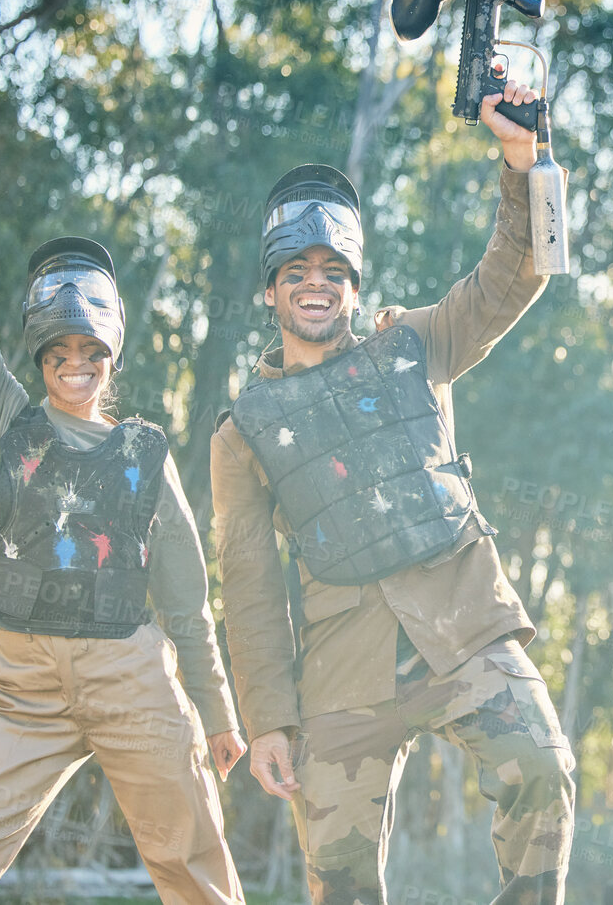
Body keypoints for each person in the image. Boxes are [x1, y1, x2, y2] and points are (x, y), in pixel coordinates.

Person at [211, 81, 574, 905]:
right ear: (268, 291)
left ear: (353, 281)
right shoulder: (242, 431)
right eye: (295, 271)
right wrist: (268, 714)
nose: (315, 284)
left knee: (543, 770)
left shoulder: (411, 345)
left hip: (463, 627)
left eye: (332, 270)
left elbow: (510, 280)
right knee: (337, 878)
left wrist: (522, 163)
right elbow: (249, 582)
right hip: (346, 671)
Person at [0, 121, 246, 905]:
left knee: (197, 878)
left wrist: (217, 715)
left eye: (89, 353)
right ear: (40, 355)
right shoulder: (5, 416)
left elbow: (188, 601)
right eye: (58, 354)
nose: (74, 366)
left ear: (110, 355)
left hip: (132, 673)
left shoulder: (146, 450)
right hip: (25, 684)